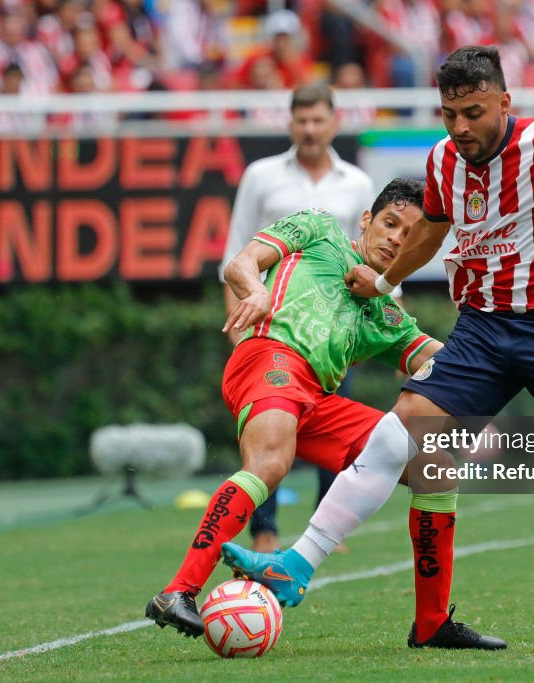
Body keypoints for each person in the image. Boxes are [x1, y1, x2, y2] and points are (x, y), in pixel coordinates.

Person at [222, 46, 534, 651]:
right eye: (449, 114)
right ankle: (296, 564)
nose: (460, 127)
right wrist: (384, 282)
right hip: (483, 329)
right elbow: (432, 229)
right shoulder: (442, 160)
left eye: (473, 112)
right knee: (399, 430)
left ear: (504, 103)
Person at [148, 179, 507, 650]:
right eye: (389, 223)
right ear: (366, 221)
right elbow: (241, 264)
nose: (396, 238)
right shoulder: (319, 229)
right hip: (269, 358)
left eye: (410, 234)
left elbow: (436, 359)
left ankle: (432, 624)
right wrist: (255, 292)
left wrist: (490, 398)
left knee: (434, 470)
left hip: (317, 397)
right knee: (270, 463)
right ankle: (177, 592)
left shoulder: (384, 312)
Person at [220, 82, 377, 553]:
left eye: (317, 120)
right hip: (269, 331)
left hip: (332, 332)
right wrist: (238, 331)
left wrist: (374, 329)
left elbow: (368, 261)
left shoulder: (357, 184)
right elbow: (235, 254)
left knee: (334, 433)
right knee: (265, 434)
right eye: (301, 120)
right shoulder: (261, 176)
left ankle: (325, 526)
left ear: (334, 122)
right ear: (290, 123)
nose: (309, 129)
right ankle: (263, 530)